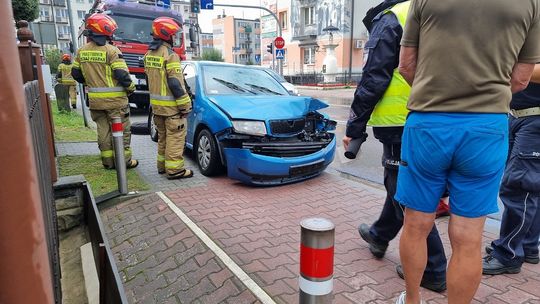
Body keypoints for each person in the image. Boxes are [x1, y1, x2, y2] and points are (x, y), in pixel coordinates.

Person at [394, 0, 540, 302]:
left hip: (429, 122)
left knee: (417, 224)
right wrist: (484, 98)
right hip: (486, 126)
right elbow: (522, 79)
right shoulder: (531, 4)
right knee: (468, 238)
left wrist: (437, 94)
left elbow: (407, 65)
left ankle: (411, 300)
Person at [343, 0, 447, 292]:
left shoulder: (392, 18)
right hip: (437, 116)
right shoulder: (436, 9)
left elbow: (374, 78)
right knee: (400, 185)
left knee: (407, 193)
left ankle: (433, 269)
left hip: (401, 121)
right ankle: (379, 234)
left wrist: (354, 126)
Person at [483, 64, 540, 275]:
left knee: (520, 188)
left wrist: (502, 62)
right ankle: (526, 246)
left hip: (534, 120)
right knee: (529, 188)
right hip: (519, 116)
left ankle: (508, 254)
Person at [72, 13, 138, 170]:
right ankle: (124, 162)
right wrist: (131, 89)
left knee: (103, 131)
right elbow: (122, 75)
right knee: (122, 131)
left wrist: (91, 83)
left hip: (95, 102)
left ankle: (108, 162)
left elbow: (75, 74)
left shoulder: (82, 51)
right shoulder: (112, 51)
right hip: (116, 102)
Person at [144, 17, 193, 180]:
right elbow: (175, 83)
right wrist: (185, 105)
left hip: (157, 108)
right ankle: (175, 170)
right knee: (175, 139)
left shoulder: (149, 54)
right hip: (172, 109)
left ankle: (162, 167)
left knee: (163, 138)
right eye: (174, 35)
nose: (175, 38)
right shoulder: (170, 56)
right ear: (167, 35)